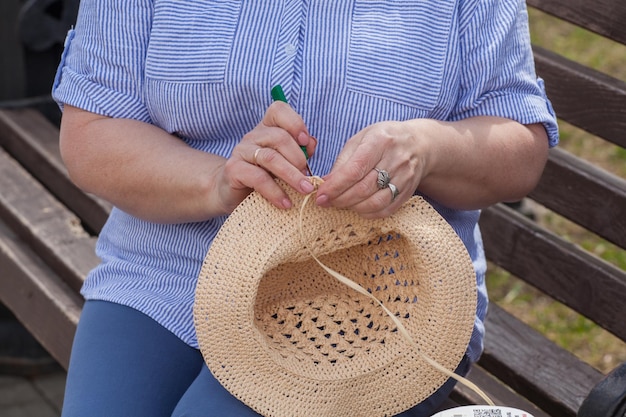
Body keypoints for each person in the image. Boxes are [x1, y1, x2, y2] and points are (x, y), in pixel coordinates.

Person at [52, 0, 559, 416]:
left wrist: (425, 148)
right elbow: (94, 131)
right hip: (165, 271)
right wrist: (215, 180)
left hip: (379, 300)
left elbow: (519, 149)